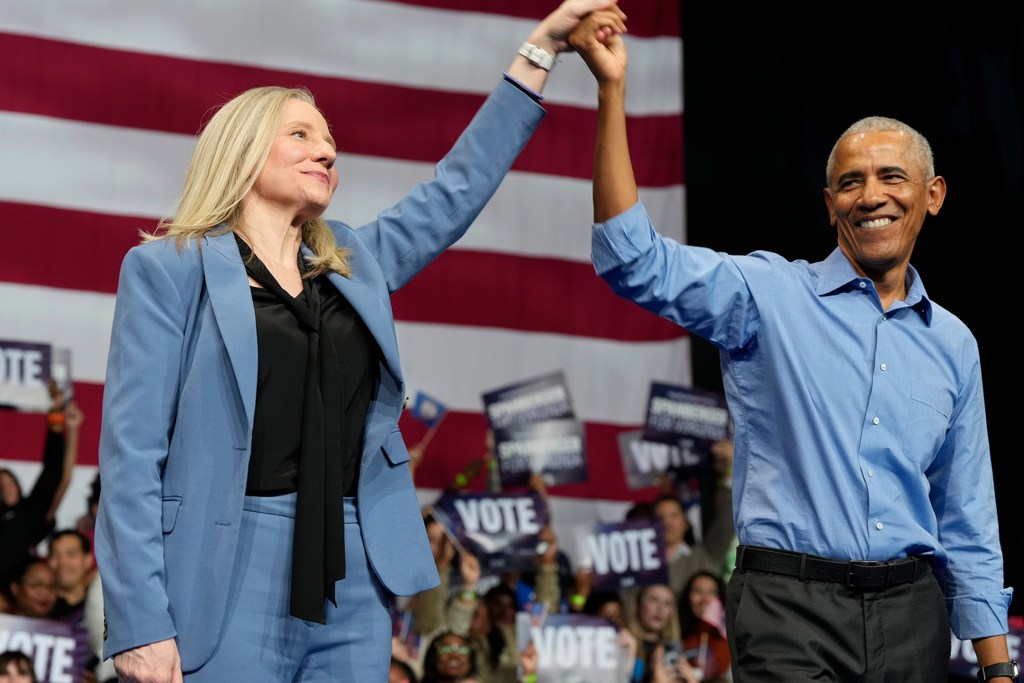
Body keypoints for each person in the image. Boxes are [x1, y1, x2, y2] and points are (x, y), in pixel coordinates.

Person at [93, 3, 627, 682]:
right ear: (243, 151)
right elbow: (132, 453)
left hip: (351, 566)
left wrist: (542, 49)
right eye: (301, 134)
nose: (327, 149)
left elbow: (455, 190)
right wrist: (141, 620)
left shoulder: (354, 261)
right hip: (224, 565)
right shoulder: (169, 267)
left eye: (330, 140)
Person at [569, 13, 1014, 682]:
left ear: (932, 195)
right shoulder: (767, 294)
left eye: (891, 177)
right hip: (789, 610)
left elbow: (968, 514)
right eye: (850, 183)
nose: (872, 196)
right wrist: (612, 92)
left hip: (911, 613)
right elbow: (631, 258)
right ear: (830, 204)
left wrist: (998, 668)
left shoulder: (954, 343)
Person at [677, 571, 730, 682]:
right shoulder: (674, 632)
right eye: (698, 591)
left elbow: (719, 674)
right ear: (687, 596)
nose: (705, 599)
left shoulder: (729, 638)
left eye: (712, 592)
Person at [47, 528, 96, 623]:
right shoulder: (36, 608)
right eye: (55, 555)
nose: (62, 561)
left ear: (88, 560)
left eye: (71, 554)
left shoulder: (103, 607)